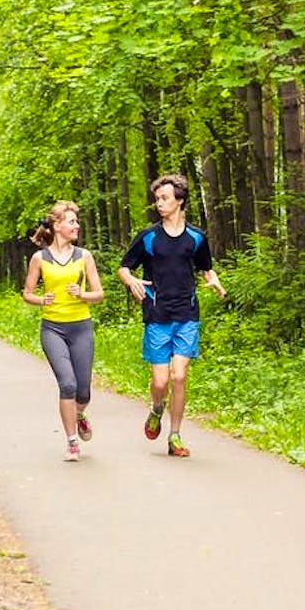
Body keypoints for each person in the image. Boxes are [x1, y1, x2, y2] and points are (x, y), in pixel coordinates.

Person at [117, 173, 226, 458]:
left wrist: (213, 280)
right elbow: (124, 267)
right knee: (160, 382)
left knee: (179, 377)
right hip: (157, 315)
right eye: (157, 199)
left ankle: (175, 435)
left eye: (164, 198)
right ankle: (156, 408)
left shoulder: (196, 237)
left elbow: (206, 268)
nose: (159, 203)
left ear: (180, 200)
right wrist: (131, 281)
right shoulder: (148, 237)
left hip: (187, 314)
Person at [23, 201, 104, 462]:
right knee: (67, 384)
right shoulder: (40, 258)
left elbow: (99, 293)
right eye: (71, 222)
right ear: (57, 226)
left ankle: (79, 414)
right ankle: (72, 443)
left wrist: (82, 294)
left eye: (76, 222)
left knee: (83, 392)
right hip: (53, 329)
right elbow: (27, 293)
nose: (77, 226)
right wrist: (41, 300)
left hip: (81, 327)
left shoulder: (84, 256)